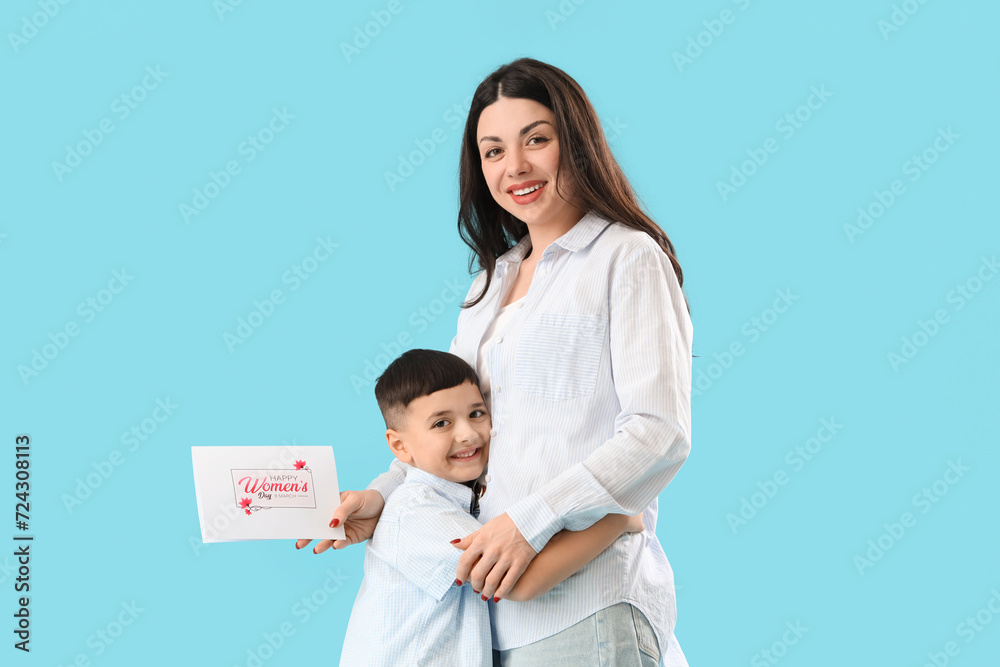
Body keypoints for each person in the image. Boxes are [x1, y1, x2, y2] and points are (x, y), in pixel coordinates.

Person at [303, 57, 693, 666]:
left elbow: (658, 435)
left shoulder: (625, 257)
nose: (514, 167)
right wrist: (379, 497)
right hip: (491, 626)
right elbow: (449, 424)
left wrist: (529, 521)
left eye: (536, 139)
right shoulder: (488, 287)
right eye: (492, 151)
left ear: (578, 142)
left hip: (588, 606)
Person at [333, 348, 644, 666]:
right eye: (442, 423)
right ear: (400, 445)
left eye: (476, 414)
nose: (467, 434)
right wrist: (618, 518)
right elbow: (520, 581)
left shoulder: (454, 501)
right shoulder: (418, 511)